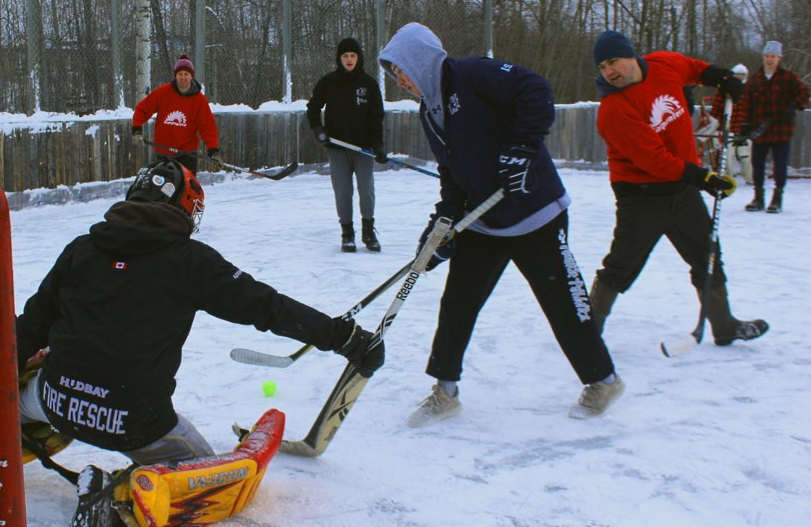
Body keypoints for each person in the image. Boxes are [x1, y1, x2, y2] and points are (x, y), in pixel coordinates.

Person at [14, 159, 384, 527]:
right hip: (134, 423)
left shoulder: (80, 249)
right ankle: (115, 492)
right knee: (207, 474)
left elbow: (29, 327)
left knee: (31, 378)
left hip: (56, 401)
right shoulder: (190, 261)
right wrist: (342, 336)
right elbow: (266, 306)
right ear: (187, 209)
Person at [378, 22, 623, 424]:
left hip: (535, 213)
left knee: (562, 302)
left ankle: (603, 380)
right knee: (457, 304)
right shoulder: (429, 112)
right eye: (393, 73)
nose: (399, 80)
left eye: (400, 69)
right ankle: (445, 391)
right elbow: (452, 174)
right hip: (484, 221)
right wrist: (443, 223)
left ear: (419, 61)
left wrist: (523, 149)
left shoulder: (472, 75)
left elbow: (535, 89)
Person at [587, 30, 768, 347]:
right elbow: (654, 160)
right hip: (640, 196)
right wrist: (704, 178)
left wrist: (724, 78)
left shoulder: (664, 64)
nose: (609, 72)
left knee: (708, 256)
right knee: (621, 266)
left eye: (613, 61)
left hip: (682, 192)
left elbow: (696, 68)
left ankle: (724, 325)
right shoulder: (613, 109)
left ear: (631, 55)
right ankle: (586, 333)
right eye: (602, 67)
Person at [306, 37, 387, 252]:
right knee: (343, 191)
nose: (349, 60)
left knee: (366, 189)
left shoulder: (369, 84)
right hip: (338, 147)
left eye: (353, 55)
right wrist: (319, 129)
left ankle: (368, 231)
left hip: (364, 149)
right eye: (345, 56)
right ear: (339, 58)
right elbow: (312, 109)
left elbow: (376, 116)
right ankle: (347, 233)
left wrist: (377, 145)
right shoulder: (328, 82)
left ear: (358, 58)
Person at [732, 41, 810, 213]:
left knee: (780, 165)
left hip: (781, 129)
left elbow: (804, 93)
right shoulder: (755, 80)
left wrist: (793, 106)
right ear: (763, 57)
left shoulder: (788, 78)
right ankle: (758, 197)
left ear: (779, 58)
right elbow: (747, 104)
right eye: (767, 56)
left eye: (773, 56)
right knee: (757, 163)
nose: (769, 59)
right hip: (760, 129)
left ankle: (777, 198)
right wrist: (744, 126)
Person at [131, 54, 220, 174]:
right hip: (163, 151)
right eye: (180, 74)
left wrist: (213, 151)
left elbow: (207, 127)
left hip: (187, 153)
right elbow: (142, 108)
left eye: (186, 74)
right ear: (175, 75)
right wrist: (137, 130)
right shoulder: (163, 92)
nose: (183, 77)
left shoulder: (199, 100)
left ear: (191, 76)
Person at [710, 64, 753, 184]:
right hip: (727, 128)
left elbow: (753, 110)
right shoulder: (724, 90)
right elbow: (716, 109)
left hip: (743, 128)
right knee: (727, 155)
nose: (740, 77)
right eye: (738, 74)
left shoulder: (749, 91)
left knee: (746, 155)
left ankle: (749, 178)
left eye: (743, 75)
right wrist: (715, 124)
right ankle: (728, 178)